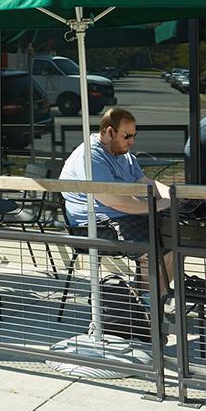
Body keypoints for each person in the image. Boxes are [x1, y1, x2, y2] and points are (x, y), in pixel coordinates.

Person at [60, 107, 173, 298]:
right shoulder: (90, 156)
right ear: (110, 132)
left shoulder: (124, 155)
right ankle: (148, 308)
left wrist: (173, 195)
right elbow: (114, 201)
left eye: (134, 136)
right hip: (93, 225)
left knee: (174, 241)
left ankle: (151, 304)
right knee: (154, 249)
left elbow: (145, 184)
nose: (132, 142)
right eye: (127, 136)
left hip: (119, 217)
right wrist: (156, 206)